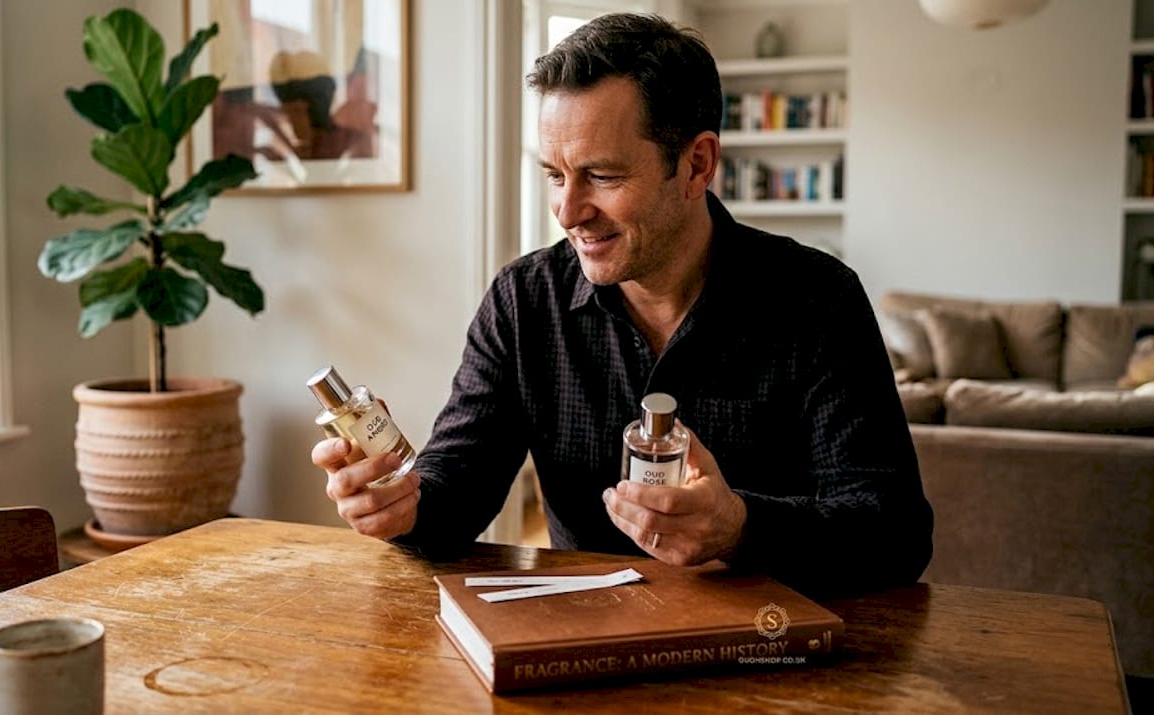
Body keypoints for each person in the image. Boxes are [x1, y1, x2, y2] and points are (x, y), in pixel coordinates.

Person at [312, 12, 932, 597]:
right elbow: (458, 492)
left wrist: (739, 527)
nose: (567, 211)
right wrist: (402, 504)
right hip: (582, 655)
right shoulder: (523, 302)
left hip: (771, 650)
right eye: (555, 175)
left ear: (696, 165)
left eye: (602, 177)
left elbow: (896, 535)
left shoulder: (818, 299)